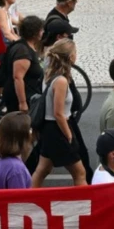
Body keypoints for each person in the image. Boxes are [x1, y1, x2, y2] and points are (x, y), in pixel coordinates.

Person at [32, 39, 87, 187]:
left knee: (42, 169)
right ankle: (85, 204)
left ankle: (30, 196)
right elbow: (58, 113)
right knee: (80, 173)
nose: (76, 55)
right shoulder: (61, 81)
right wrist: (68, 134)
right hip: (58, 129)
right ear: (70, 57)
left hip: (49, 129)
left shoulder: (49, 75)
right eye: (75, 52)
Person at [3, 15, 46, 113]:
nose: (43, 32)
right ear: (34, 33)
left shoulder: (27, 46)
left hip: (30, 95)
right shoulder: (23, 51)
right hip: (20, 98)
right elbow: (18, 78)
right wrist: (22, 103)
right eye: (41, 30)